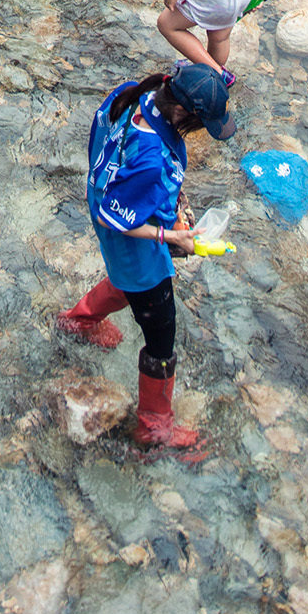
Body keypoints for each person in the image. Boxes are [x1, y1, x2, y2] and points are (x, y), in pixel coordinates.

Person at [57, 64, 236, 452]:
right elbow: (117, 218)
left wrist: (173, 203)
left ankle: (77, 321)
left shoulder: (133, 92)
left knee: (126, 280)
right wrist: (173, 237)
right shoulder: (151, 161)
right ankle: (154, 427)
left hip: (103, 198)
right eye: (202, 123)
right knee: (161, 339)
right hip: (127, 235)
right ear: (184, 115)